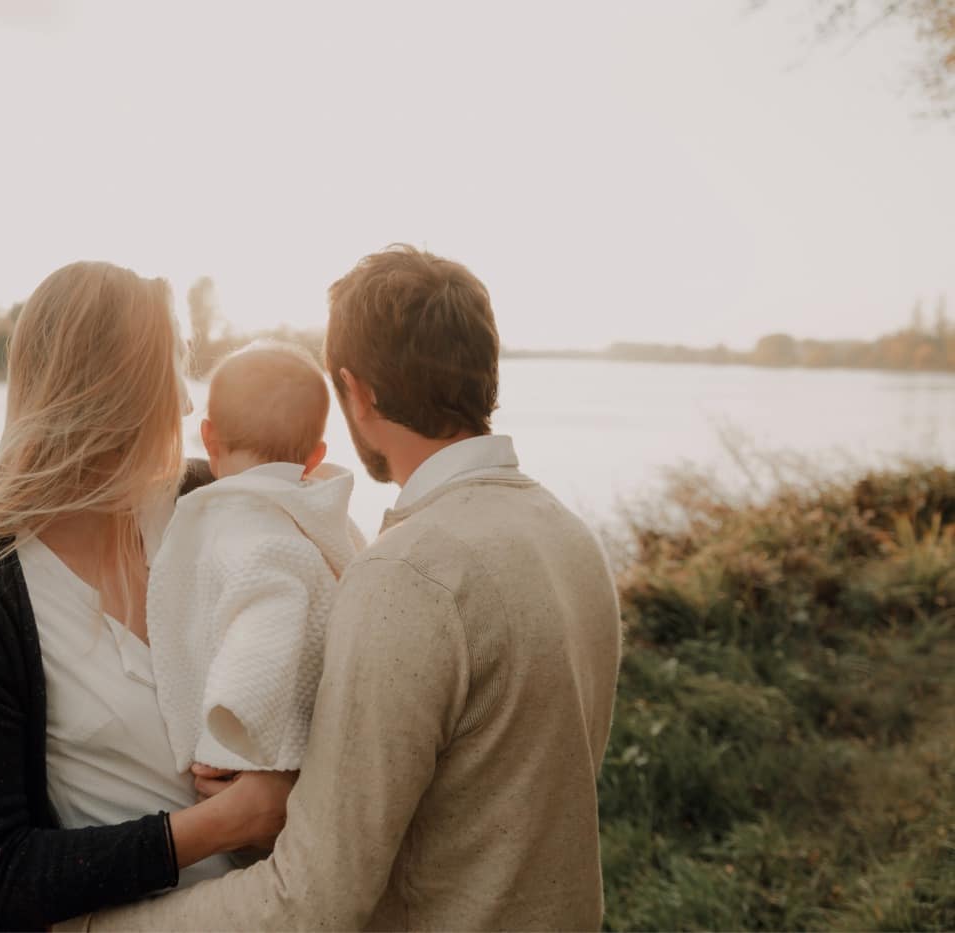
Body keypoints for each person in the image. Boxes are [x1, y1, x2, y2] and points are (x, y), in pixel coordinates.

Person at [62, 245, 624, 931]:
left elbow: (310, 898)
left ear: (358, 393)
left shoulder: (407, 575)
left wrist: (90, 928)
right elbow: (483, 790)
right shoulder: (571, 536)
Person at [0, 261, 294, 932]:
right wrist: (223, 824)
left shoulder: (208, 505)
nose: (190, 404)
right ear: (118, 393)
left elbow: (315, 547)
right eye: (174, 369)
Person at [147, 342, 362, 777]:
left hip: (256, 749)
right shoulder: (312, 517)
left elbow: (267, 621)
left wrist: (229, 735)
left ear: (208, 438)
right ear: (316, 457)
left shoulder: (255, 532)